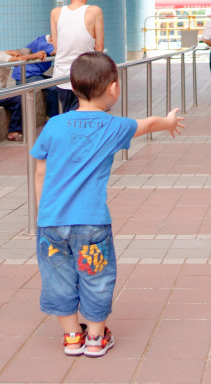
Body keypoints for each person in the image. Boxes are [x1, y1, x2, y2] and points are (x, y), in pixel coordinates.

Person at [30, 52, 184, 357]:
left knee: (58, 277)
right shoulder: (114, 126)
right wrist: (168, 122)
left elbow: (40, 171)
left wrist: (42, 214)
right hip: (91, 223)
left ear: (73, 89)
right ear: (113, 88)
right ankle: (96, 338)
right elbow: (149, 123)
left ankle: (72, 337)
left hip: (50, 223)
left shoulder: (54, 125)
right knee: (96, 275)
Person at [51, 0, 104, 113]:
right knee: (83, 115)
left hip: (61, 77)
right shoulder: (95, 11)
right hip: (85, 76)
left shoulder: (56, 13)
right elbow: (99, 48)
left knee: (68, 113)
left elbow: (56, 47)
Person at [0, 49, 48, 141]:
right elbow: (18, 60)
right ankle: (13, 131)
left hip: (2, 91)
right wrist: (35, 55)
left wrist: (14, 53)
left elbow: (7, 54)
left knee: (19, 96)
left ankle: (16, 129)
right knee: (19, 98)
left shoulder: (3, 54)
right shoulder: (2, 56)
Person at [11, 35, 59, 118]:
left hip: (34, 74)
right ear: (52, 40)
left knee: (58, 83)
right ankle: (51, 117)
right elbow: (58, 51)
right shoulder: (43, 43)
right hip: (25, 76)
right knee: (53, 87)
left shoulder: (43, 41)